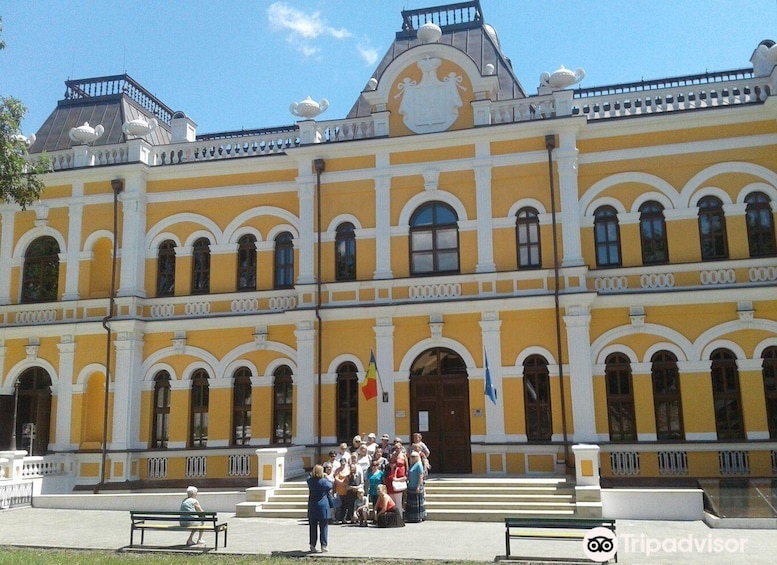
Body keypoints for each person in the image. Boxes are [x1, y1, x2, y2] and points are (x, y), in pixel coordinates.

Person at [306, 464, 333, 553]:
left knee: (312, 527)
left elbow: (308, 477)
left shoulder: (310, 481)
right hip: (323, 506)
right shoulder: (324, 482)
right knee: (323, 527)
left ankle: (312, 545)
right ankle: (323, 546)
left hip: (312, 506)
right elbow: (330, 485)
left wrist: (313, 473)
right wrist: (325, 477)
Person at [386, 439, 407, 516]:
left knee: (399, 500)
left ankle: (400, 517)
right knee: (393, 500)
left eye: (399, 448)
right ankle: (395, 517)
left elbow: (406, 465)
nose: (397, 449)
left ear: (401, 448)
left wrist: (406, 474)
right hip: (394, 472)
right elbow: (391, 463)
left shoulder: (403, 455)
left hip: (401, 473)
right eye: (396, 448)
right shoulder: (393, 455)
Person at [405, 450, 427, 523]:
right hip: (411, 485)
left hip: (416, 486)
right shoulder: (412, 465)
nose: (412, 458)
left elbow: (420, 476)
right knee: (411, 503)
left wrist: (418, 486)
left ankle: (418, 517)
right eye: (411, 457)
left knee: (417, 503)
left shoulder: (419, 464)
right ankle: (411, 517)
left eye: (413, 457)